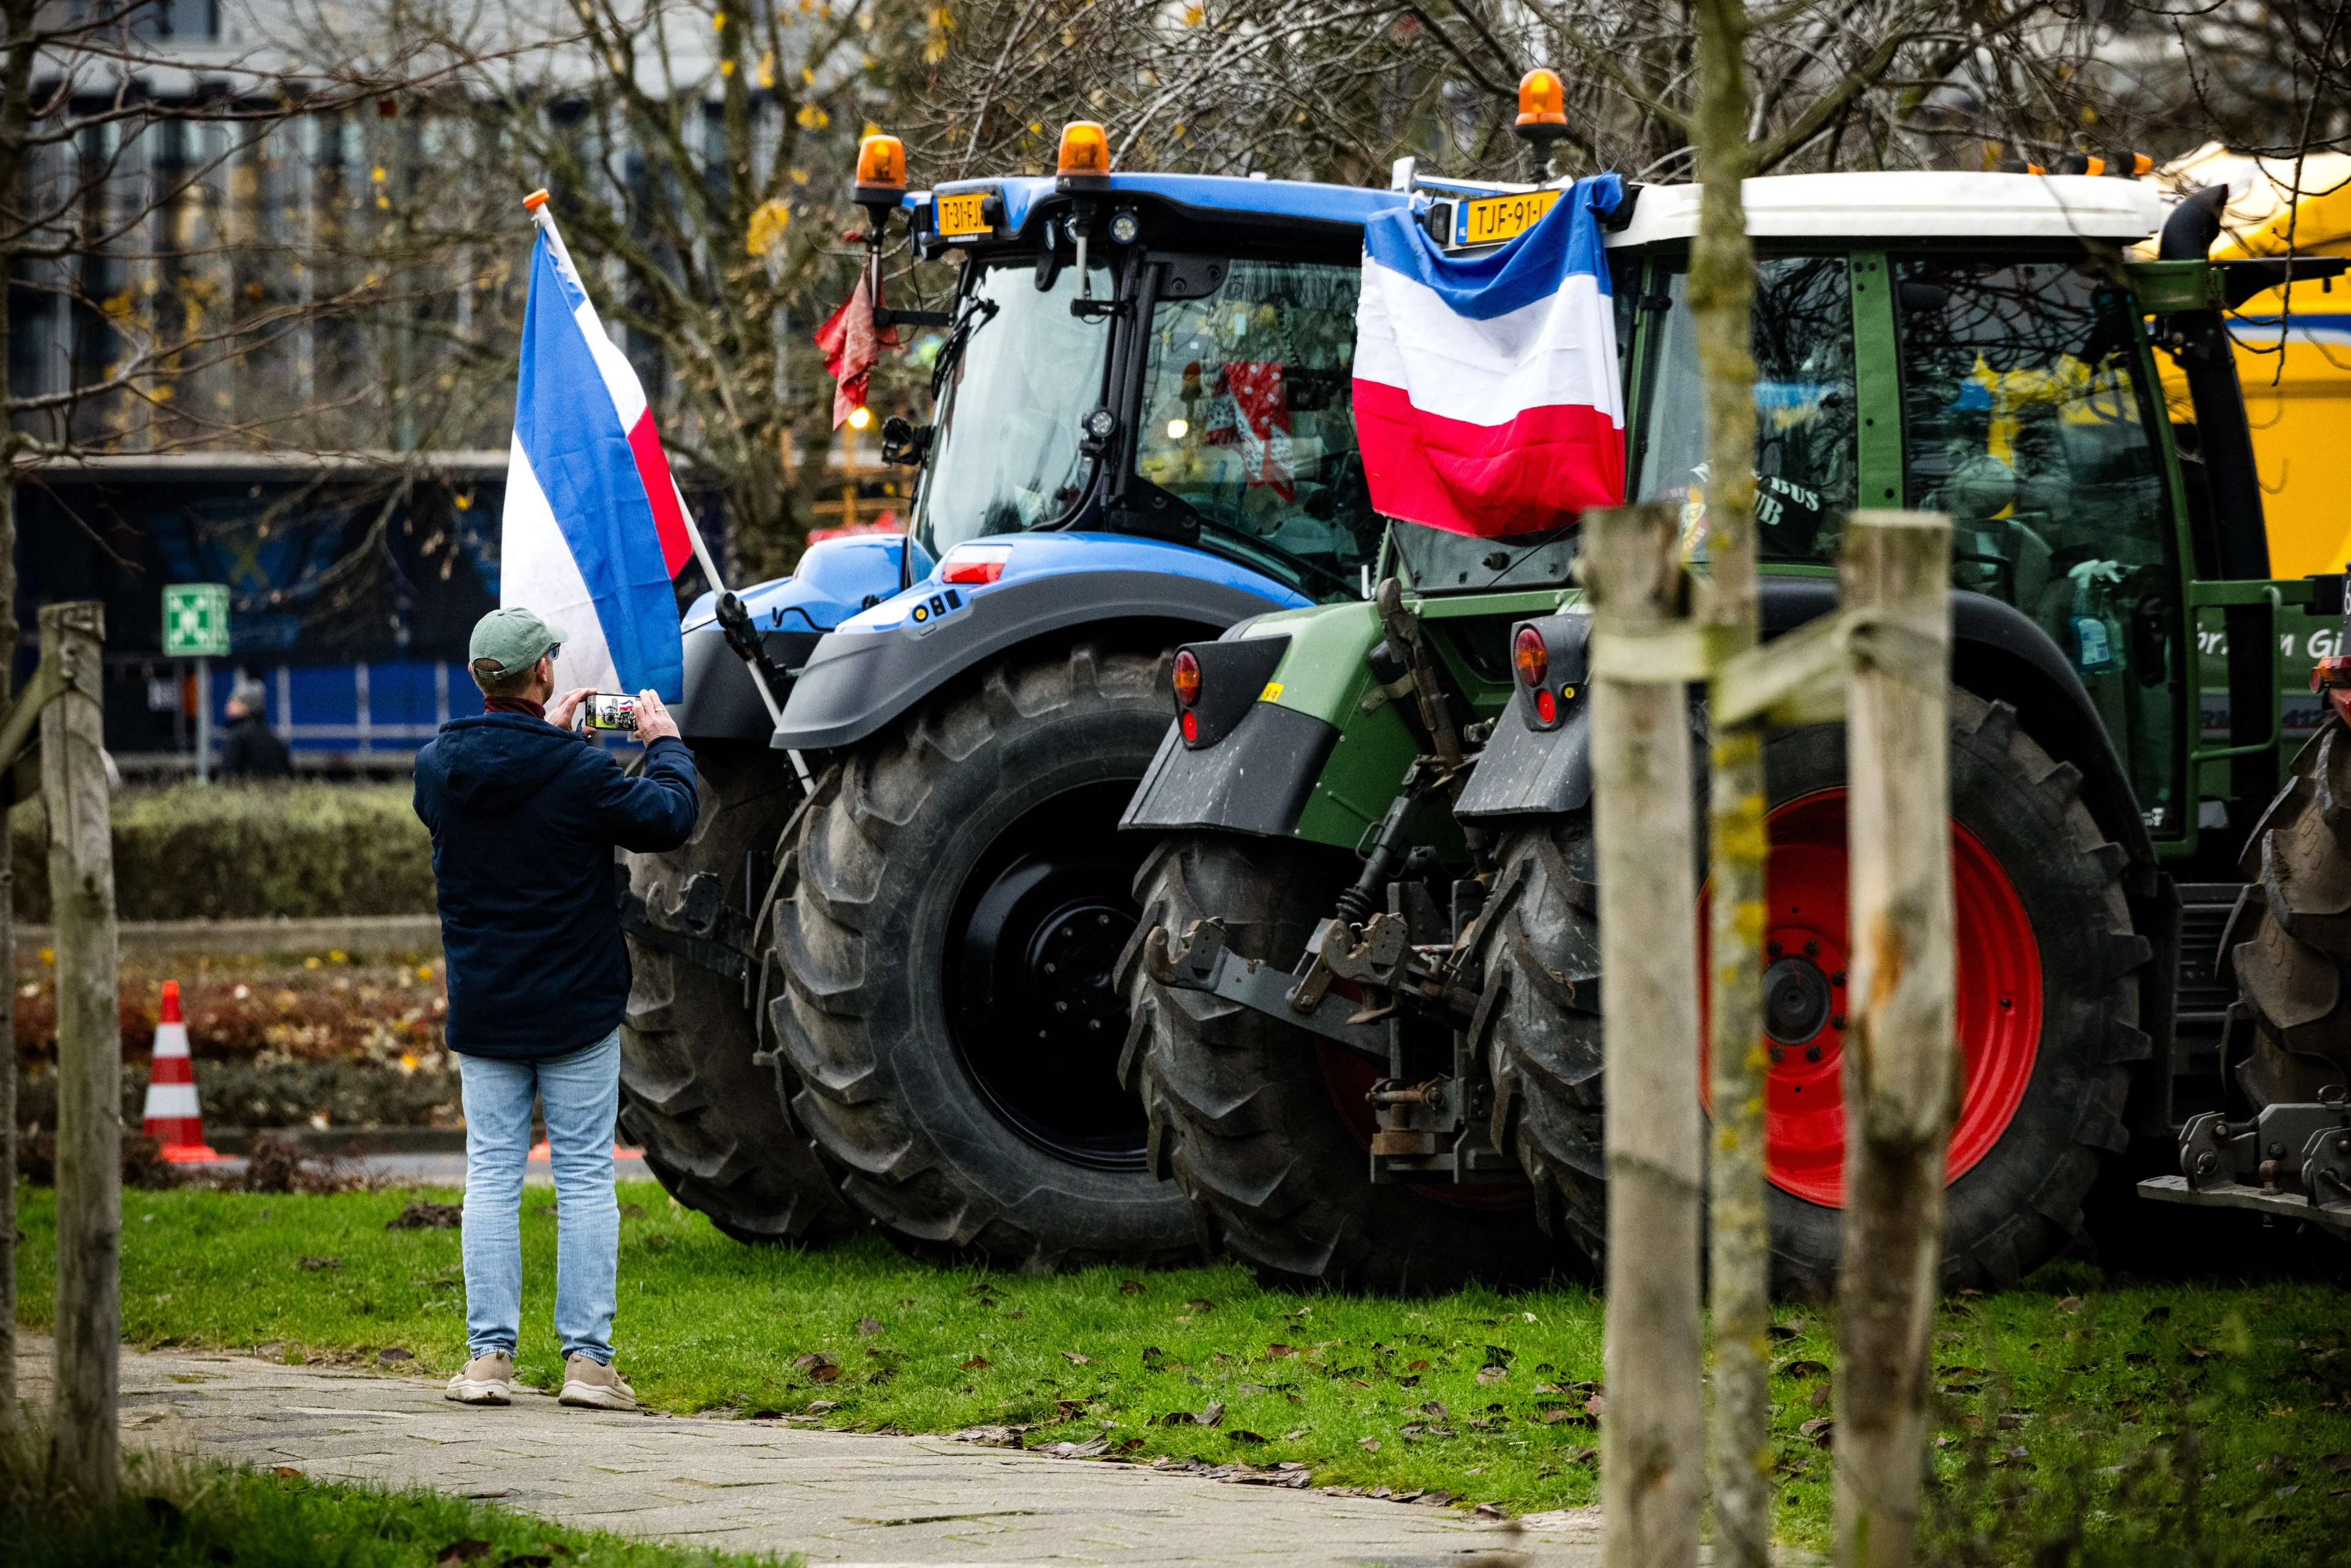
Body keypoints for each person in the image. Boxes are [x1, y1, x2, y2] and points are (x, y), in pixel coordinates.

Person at [413, 607, 697, 1411]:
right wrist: (664, 743)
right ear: (544, 674)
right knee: (582, 1177)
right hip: (576, 1005)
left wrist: (560, 749)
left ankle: (489, 1361)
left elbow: (506, 805)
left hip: (487, 1007)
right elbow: (669, 818)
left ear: (479, 679)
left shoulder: (436, 769)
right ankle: (588, 1366)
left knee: (492, 1176)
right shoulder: (580, 777)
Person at [217, 673, 291, 779]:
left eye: (234, 701)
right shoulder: (275, 740)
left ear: (246, 706)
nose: (228, 705)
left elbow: (229, 776)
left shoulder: (235, 738)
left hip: (246, 793)